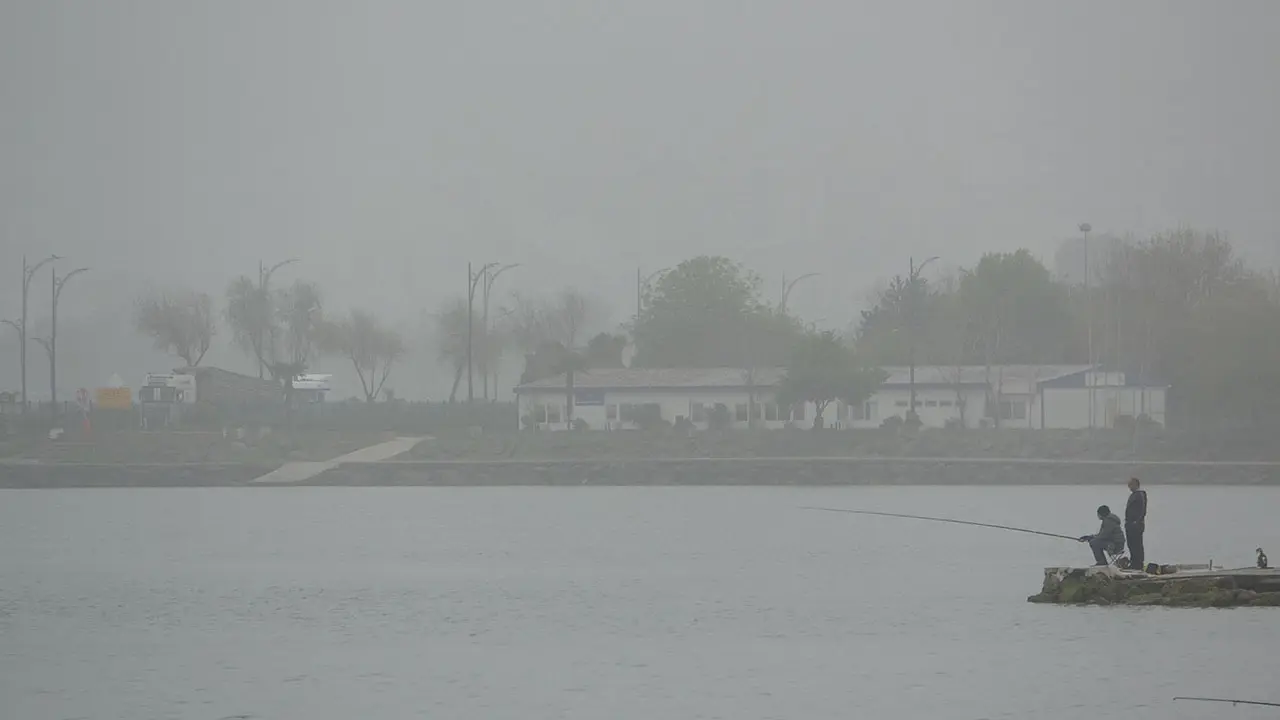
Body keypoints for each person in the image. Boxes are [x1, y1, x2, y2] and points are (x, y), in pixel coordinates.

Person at [1125, 477, 1148, 569]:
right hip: (1130, 524)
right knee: (1131, 544)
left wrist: (1136, 521)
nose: (1129, 486)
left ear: (1136, 485)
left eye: (1130, 484)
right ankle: (1134, 562)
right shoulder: (1134, 495)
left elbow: (1142, 510)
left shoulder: (1139, 495)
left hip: (1135, 525)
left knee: (1136, 544)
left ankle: (1138, 564)